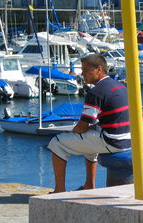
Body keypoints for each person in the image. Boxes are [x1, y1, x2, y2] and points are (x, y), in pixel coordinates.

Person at [47, 54, 131, 193]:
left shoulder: (96, 92)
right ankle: (89, 185)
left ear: (98, 70)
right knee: (89, 138)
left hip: (112, 142)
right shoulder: (120, 86)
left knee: (56, 142)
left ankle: (59, 190)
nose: (82, 74)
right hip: (127, 139)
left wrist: (70, 133)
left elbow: (82, 127)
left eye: (85, 70)